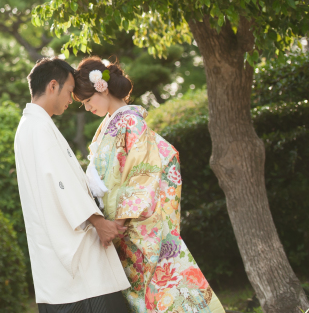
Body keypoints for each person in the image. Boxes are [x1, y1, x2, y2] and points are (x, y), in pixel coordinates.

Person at [74, 57, 225, 313]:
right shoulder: (109, 126)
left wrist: (119, 223)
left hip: (133, 226)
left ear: (103, 88)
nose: (87, 108)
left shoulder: (132, 123)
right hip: (119, 225)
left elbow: (143, 175)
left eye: (88, 101)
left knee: (159, 291)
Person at [14, 57, 131, 313]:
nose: (71, 99)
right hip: (76, 266)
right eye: (69, 91)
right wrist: (99, 222)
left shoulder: (33, 125)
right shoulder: (37, 128)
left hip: (60, 263)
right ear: (53, 86)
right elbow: (60, 183)